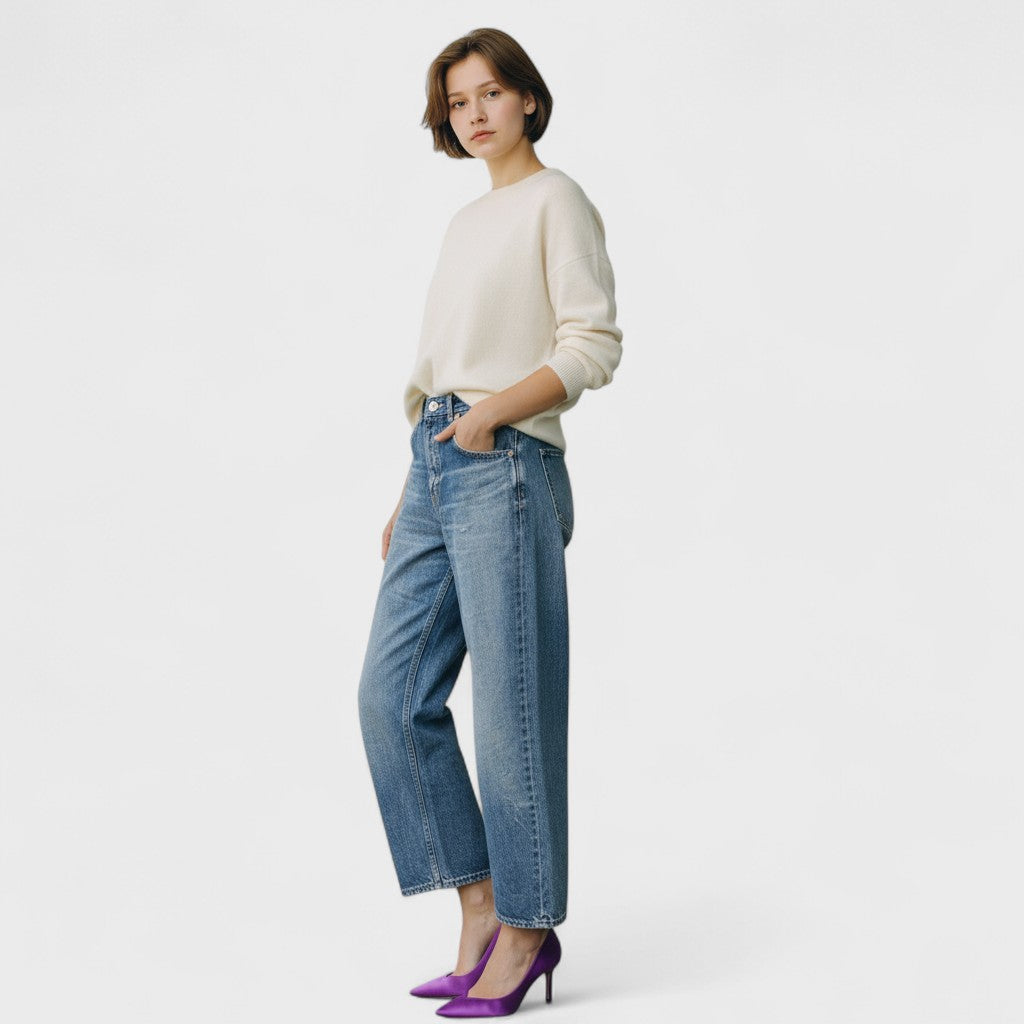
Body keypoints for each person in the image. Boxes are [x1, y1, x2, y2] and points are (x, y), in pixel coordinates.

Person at [357, 26, 623, 1018]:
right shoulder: (466, 222)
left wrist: (490, 417)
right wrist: (411, 488)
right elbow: (440, 365)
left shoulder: (557, 200)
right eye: (457, 101)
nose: (473, 114)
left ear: (528, 100)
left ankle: (526, 929)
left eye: (489, 93)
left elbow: (592, 344)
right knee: (391, 699)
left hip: (505, 460)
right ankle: (479, 907)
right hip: (436, 460)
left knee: (510, 713)